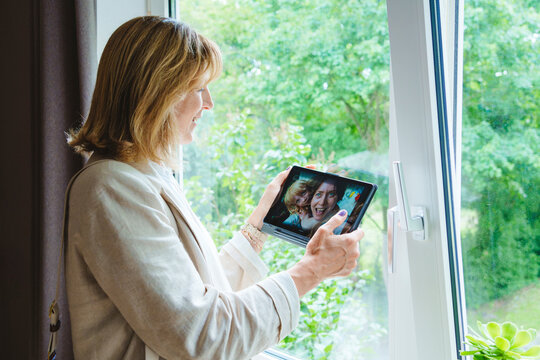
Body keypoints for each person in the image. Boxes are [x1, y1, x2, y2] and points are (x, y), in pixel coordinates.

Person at [65, 16, 362, 360]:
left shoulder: (147, 176)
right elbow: (201, 334)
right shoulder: (111, 189)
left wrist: (258, 226)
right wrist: (311, 271)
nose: (209, 103)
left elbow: (199, 298)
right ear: (158, 93)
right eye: (198, 88)